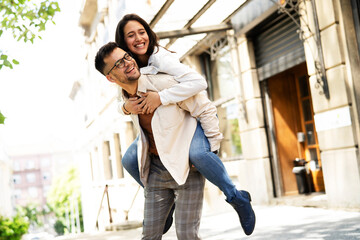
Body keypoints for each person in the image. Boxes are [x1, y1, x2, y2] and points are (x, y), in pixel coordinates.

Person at [115, 14, 256, 236]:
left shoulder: (162, 59)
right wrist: (125, 108)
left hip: (191, 122)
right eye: (131, 35)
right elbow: (120, 100)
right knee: (129, 159)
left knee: (199, 155)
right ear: (123, 44)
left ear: (149, 34)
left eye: (142, 32)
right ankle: (163, 204)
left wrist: (161, 97)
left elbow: (199, 83)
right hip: (164, 130)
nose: (139, 38)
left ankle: (236, 197)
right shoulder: (127, 68)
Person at [95, 42, 213, 239]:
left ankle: (235, 196)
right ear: (110, 78)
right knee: (149, 237)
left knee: (187, 236)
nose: (127, 63)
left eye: (126, 57)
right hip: (156, 172)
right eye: (118, 64)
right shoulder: (125, 97)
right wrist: (125, 108)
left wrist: (209, 152)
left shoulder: (162, 83)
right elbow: (117, 107)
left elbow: (205, 109)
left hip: (186, 168)